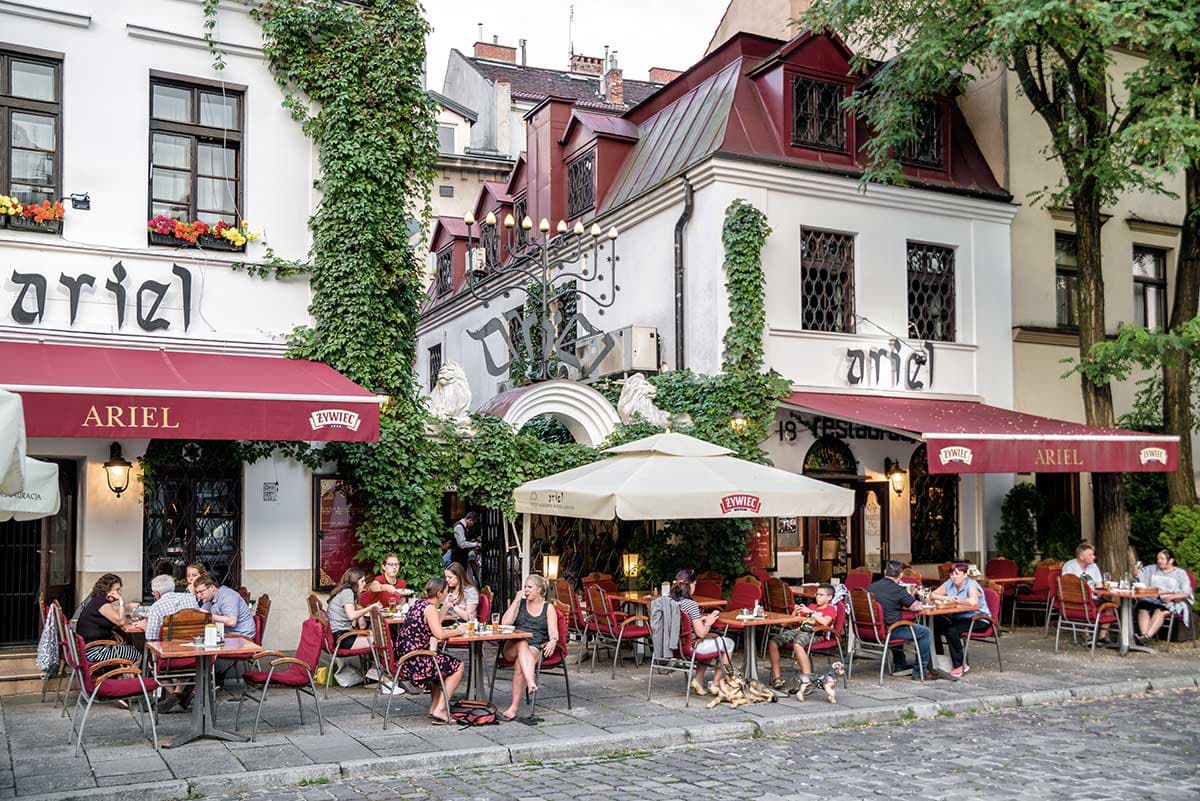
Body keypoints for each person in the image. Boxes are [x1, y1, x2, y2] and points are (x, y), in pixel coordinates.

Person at [393, 577, 464, 724]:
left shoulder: (419, 604)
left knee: (440, 661)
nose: (446, 593)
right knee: (458, 666)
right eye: (445, 591)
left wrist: (446, 606)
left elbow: (434, 622)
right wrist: (458, 630)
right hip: (417, 662)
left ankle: (434, 708)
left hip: (407, 660)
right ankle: (441, 709)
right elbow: (439, 634)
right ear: (439, 593)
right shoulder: (430, 608)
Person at [868, 561, 954, 682]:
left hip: (872, 630)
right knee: (924, 632)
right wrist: (914, 595)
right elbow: (916, 607)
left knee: (895, 621)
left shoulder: (871, 587)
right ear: (901, 575)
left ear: (884, 573)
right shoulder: (898, 590)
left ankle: (900, 665)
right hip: (890, 632)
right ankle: (920, 671)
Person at [499, 574, 559, 721]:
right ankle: (530, 680)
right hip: (512, 646)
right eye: (525, 587)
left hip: (535, 645)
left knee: (521, 661)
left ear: (539, 590)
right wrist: (516, 600)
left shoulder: (548, 608)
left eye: (529, 587)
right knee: (521, 642)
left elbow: (553, 632)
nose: (526, 590)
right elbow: (504, 623)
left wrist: (553, 641)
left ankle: (513, 707)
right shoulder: (520, 603)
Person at [670, 569, 735, 696]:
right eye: (695, 585)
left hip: (673, 645)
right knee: (729, 643)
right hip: (690, 648)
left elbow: (684, 620)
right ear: (690, 585)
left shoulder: (669, 602)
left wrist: (699, 619)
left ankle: (698, 680)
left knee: (712, 642)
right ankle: (716, 685)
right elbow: (701, 633)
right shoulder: (691, 604)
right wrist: (708, 622)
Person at [144, 573, 200, 712]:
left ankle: (174, 694)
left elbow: (151, 637)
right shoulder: (190, 599)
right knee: (186, 663)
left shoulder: (157, 607)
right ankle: (179, 692)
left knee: (152, 660)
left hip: (169, 661)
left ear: (156, 593)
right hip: (194, 656)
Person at [767, 583, 836, 695]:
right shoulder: (812, 606)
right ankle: (777, 678)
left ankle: (807, 681)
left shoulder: (830, 609)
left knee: (797, 644)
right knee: (773, 641)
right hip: (800, 630)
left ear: (829, 597)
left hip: (816, 633)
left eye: (821, 595)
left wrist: (811, 612)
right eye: (817, 594)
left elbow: (825, 622)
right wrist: (796, 611)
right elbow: (786, 623)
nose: (818, 597)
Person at [930, 562, 985, 677]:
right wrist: (947, 598)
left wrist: (957, 600)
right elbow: (933, 594)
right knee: (934, 624)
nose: (953, 577)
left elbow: (973, 601)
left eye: (957, 574)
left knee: (952, 630)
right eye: (951, 574)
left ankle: (960, 664)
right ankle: (938, 659)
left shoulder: (971, 584)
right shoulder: (950, 583)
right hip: (959, 617)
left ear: (965, 575)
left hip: (978, 619)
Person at [75, 573, 141, 664]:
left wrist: (127, 606)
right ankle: (130, 676)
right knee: (138, 655)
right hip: (95, 651)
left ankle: (123, 675)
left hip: (90, 647)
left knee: (126, 643)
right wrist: (121, 601)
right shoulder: (101, 603)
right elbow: (121, 622)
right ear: (108, 590)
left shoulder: (97, 600)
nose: (120, 592)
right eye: (117, 590)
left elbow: (112, 610)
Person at [1136, 548, 1195, 644]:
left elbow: (1186, 593)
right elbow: (1139, 576)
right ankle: (1144, 637)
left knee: (1159, 611)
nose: (1159, 561)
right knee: (1143, 607)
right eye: (1158, 559)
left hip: (1170, 601)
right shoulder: (1152, 569)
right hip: (1152, 598)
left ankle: (1146, 636)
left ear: (1171, 560)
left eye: (1162, 559)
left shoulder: (1180, 573)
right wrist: (1136, 572)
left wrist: (1172, 597)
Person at [325, 568, 381, 652]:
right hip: (342, 638)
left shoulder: (346, 592)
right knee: (383, 641)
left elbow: (362, 626)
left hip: (343, 635)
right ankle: (379, 665)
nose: (365, 584)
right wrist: (370, 608)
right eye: (362, 581)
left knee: (379, 637)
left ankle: (373, 664)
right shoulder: (347, 592)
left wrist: (360, 609)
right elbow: (351, 616)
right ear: (355, 582)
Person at [451, 511, 482, 586]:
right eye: (473, 522)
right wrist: (475, 544)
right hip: (458, 557)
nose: (472, 525)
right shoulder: (459, 527)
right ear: (470, 520)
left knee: (461, 575)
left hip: (461, 557)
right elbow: (461, 544)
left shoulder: (463, 527)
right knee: (459, 576)